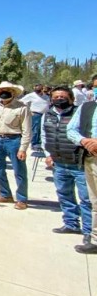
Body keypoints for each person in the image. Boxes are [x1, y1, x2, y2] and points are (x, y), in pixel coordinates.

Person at [41, 86, 91, 242]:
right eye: (55, 97)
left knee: (87, 199)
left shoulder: (81, 114)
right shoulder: (47, 115)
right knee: (64, 195)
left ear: (71, 99)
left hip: (80, 164)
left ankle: (89, 231)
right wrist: (48, 155)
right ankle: (71, 223)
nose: (59, 99)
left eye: (62, 97)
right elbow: (44, 136)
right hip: (59, 163)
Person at [0, 81, 32, 210]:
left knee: (19, 171)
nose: (4, 92)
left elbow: (27, 130)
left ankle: (21, 199)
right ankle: (5, 194)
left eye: (7, 90)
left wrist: (23, 148)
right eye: (1, 90)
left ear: (13, 92)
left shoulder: (22, 108)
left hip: (14, 141)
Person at [67, 74, 97, 254]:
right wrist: (84, 141)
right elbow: (71, 129)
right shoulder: (87, 107)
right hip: (91, 158)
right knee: (95, 201)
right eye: (95, 86)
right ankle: (95, 238)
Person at [21, 84, 50, 151]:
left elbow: (48, 104)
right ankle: (34, 144)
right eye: (37, 90)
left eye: (39, 90)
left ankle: (41, 143)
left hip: (45, 115)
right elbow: (22, 102)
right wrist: (28, 110)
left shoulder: (46, 96)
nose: (38, 92)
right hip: (36, 114)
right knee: (35, 130)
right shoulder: (31, 95)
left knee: (43, 129)